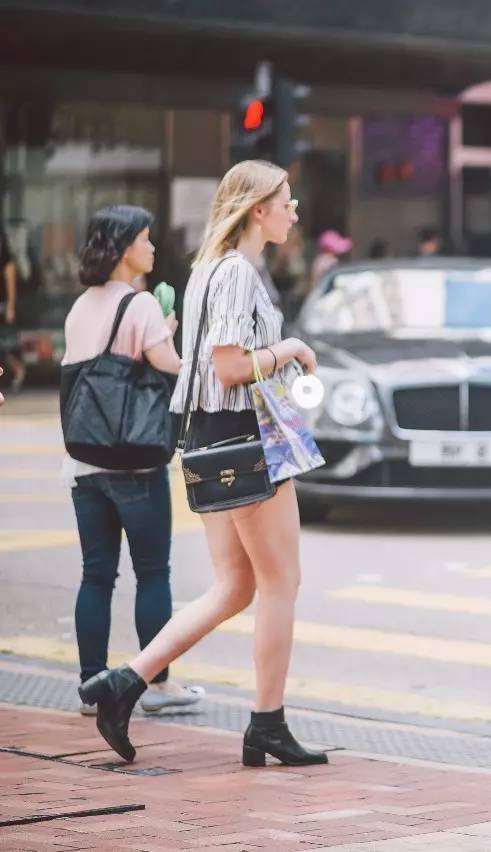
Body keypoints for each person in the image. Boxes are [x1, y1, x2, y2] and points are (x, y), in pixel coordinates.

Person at [77, 160, 327, 769]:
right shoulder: (237, 271)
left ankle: (123, 683)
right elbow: (229, 366)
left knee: (235, 586)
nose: (294, 212)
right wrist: (289, 349)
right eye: (286, 201)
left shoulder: (206, 271)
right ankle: (267, 723)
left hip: (207, 439)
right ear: (256, 210)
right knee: (280, 584)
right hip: (245, 441)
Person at [61, 206, 204, 717]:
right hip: (136, 466)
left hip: (84, 465)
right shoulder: (141, 306)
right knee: (152, 573)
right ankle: (158, 683)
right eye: (145, 239)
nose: (152, 248)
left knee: (96, 575)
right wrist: (165, 331)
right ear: (125, 248)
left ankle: (89, 686)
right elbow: (175, 371)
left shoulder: (80, 307)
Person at [0, 229, 25, 395]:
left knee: (6, 345)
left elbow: (10, 278)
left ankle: (18, 371)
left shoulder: (5, 258)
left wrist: (10, 306)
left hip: (1, 304)